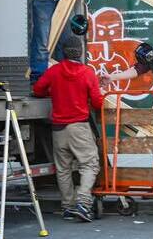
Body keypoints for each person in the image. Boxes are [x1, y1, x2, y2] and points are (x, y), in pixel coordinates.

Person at [32, 35, 104, 222]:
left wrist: (52, 91)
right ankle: (83, 202)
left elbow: (38, 89)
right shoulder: (87, 73)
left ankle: (68, 206)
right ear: (80, 52)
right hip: (79, 127)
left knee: (63, 169)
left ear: (63, 52)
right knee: (90, 164)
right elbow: (97, 103)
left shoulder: (54, 71)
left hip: (58, 129)